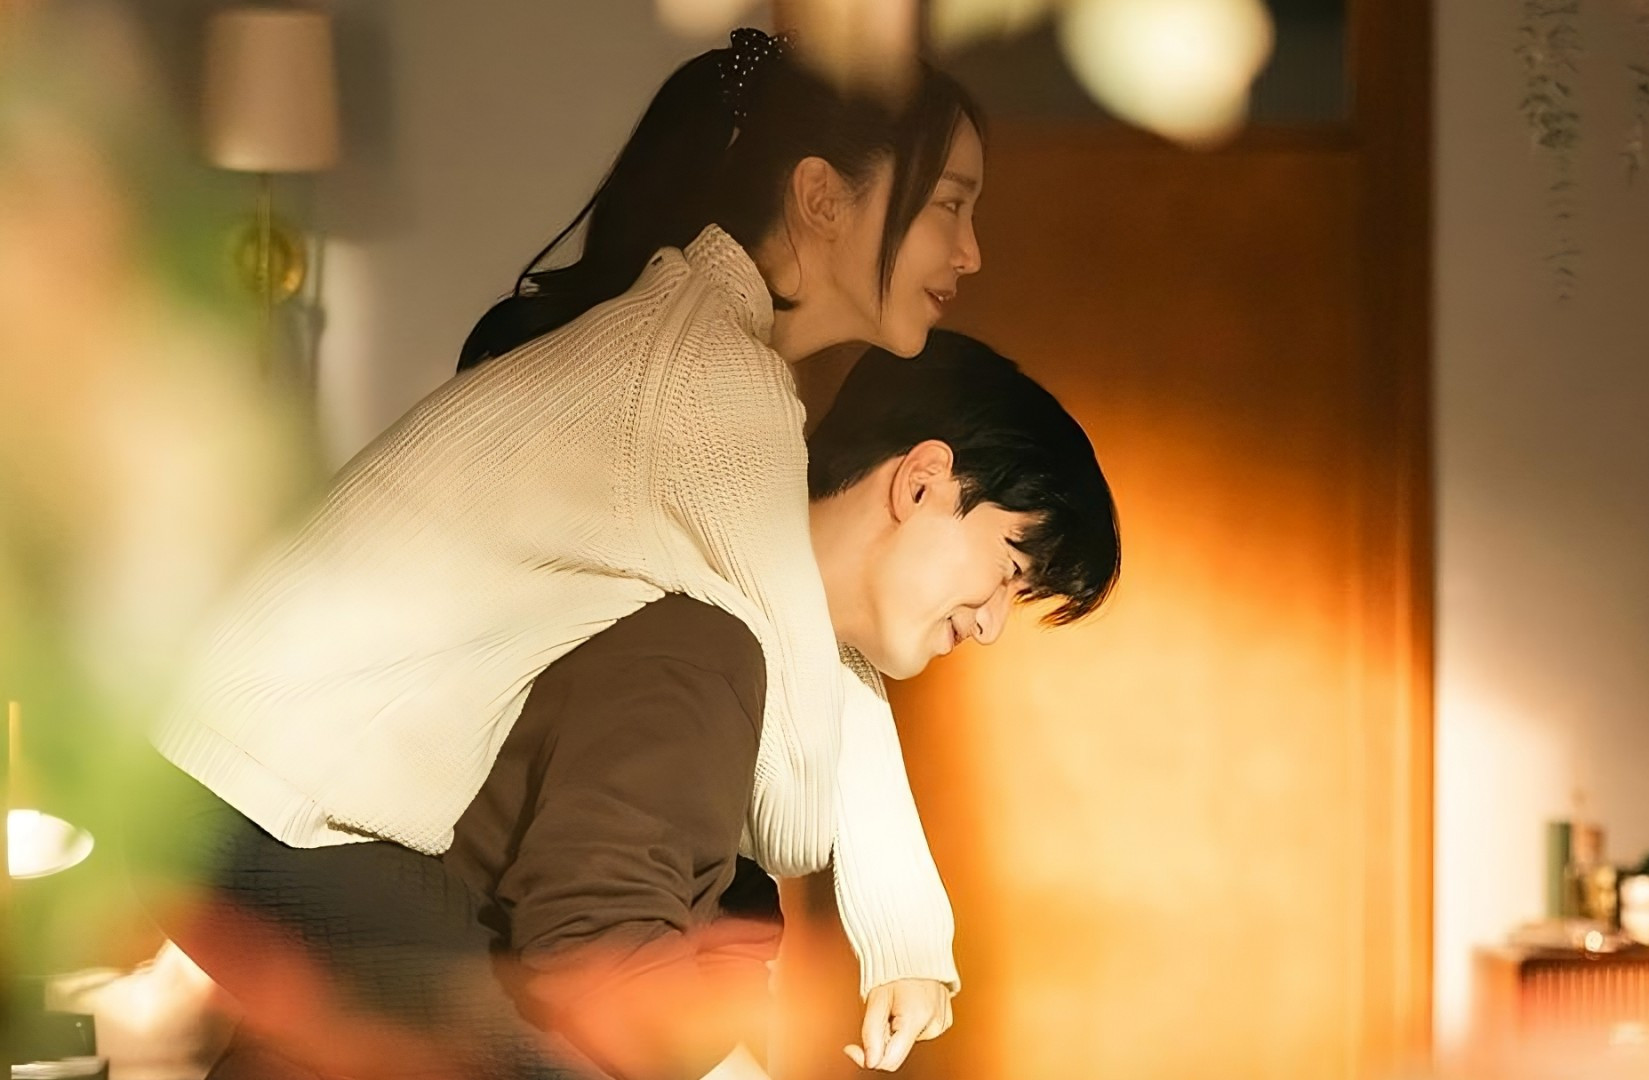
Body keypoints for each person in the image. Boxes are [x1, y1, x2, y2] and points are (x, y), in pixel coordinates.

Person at [140, 26, 991, 1078]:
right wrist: (898, 934)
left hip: (226, 783)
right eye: (949, 205)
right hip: (252, 804)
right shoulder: (712, 388)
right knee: (564, 1037)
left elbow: (798, 652)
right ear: (822, 197)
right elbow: (794, 813)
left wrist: (906, 936)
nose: (971, 252)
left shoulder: (688, 346)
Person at [138, 335, 1119, 1080]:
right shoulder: (702, 643)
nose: (991, 622)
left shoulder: (786, 674)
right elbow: (591, 943)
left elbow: (721, 905)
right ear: (923, 482)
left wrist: (900, 946)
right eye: (1009, 570)